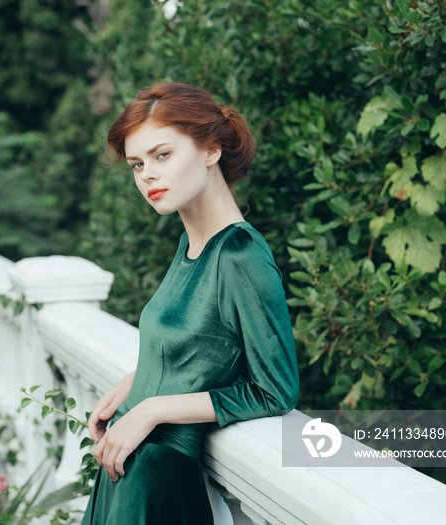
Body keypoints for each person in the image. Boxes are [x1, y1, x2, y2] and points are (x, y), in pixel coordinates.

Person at [82, 82, 300, 524]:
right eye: (137, 164)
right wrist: (141, 377)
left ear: (211, 150)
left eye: (162, 155)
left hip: (159, 482)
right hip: (126, 470)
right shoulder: (191, 244)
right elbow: (209, 347)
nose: (146, 175)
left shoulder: (240, 253)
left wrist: (153, 407)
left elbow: (274, 390)